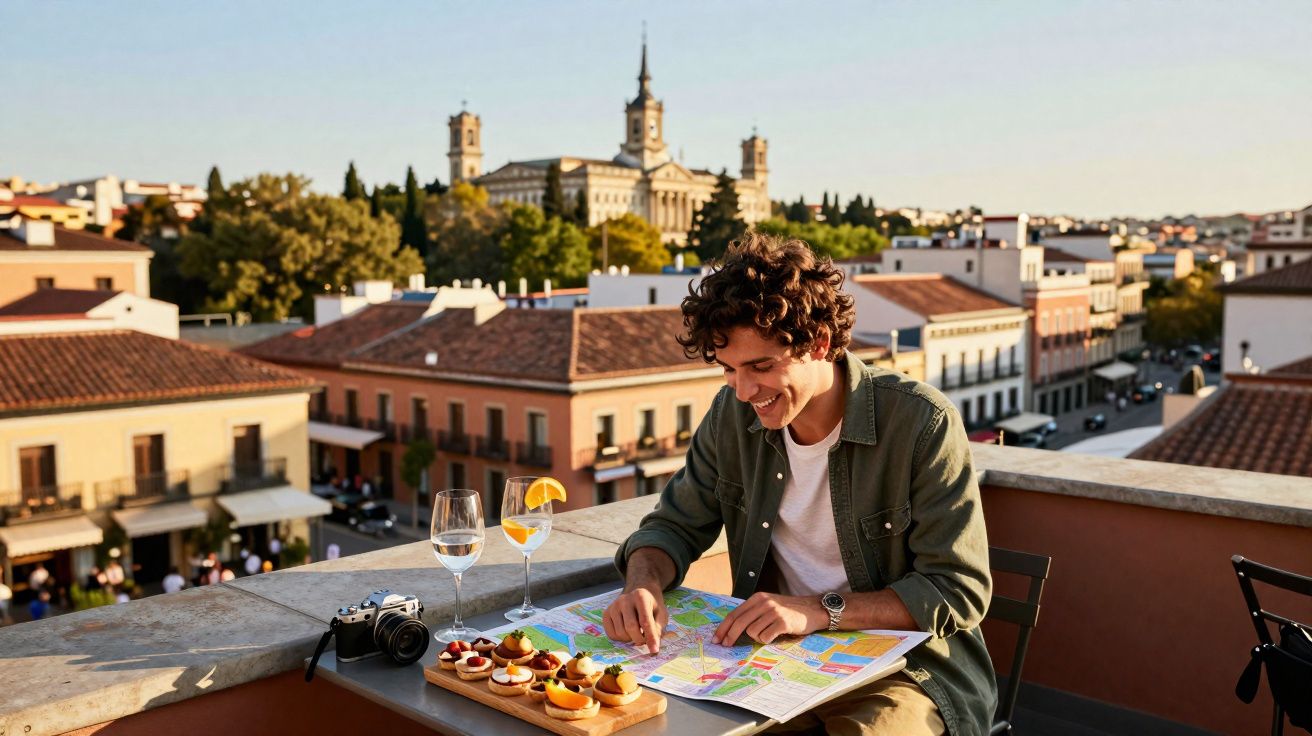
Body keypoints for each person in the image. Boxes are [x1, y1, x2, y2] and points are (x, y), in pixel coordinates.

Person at [602, 233, 996, 736]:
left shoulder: (921, 423)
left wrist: (816, 612)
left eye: (762, 367)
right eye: (730, 370)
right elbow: (672, 526)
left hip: (906, 671)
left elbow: (956, 589)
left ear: (822, 344)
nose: (745, 391)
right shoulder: (731, 416)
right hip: (776, 662)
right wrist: (643, 583)